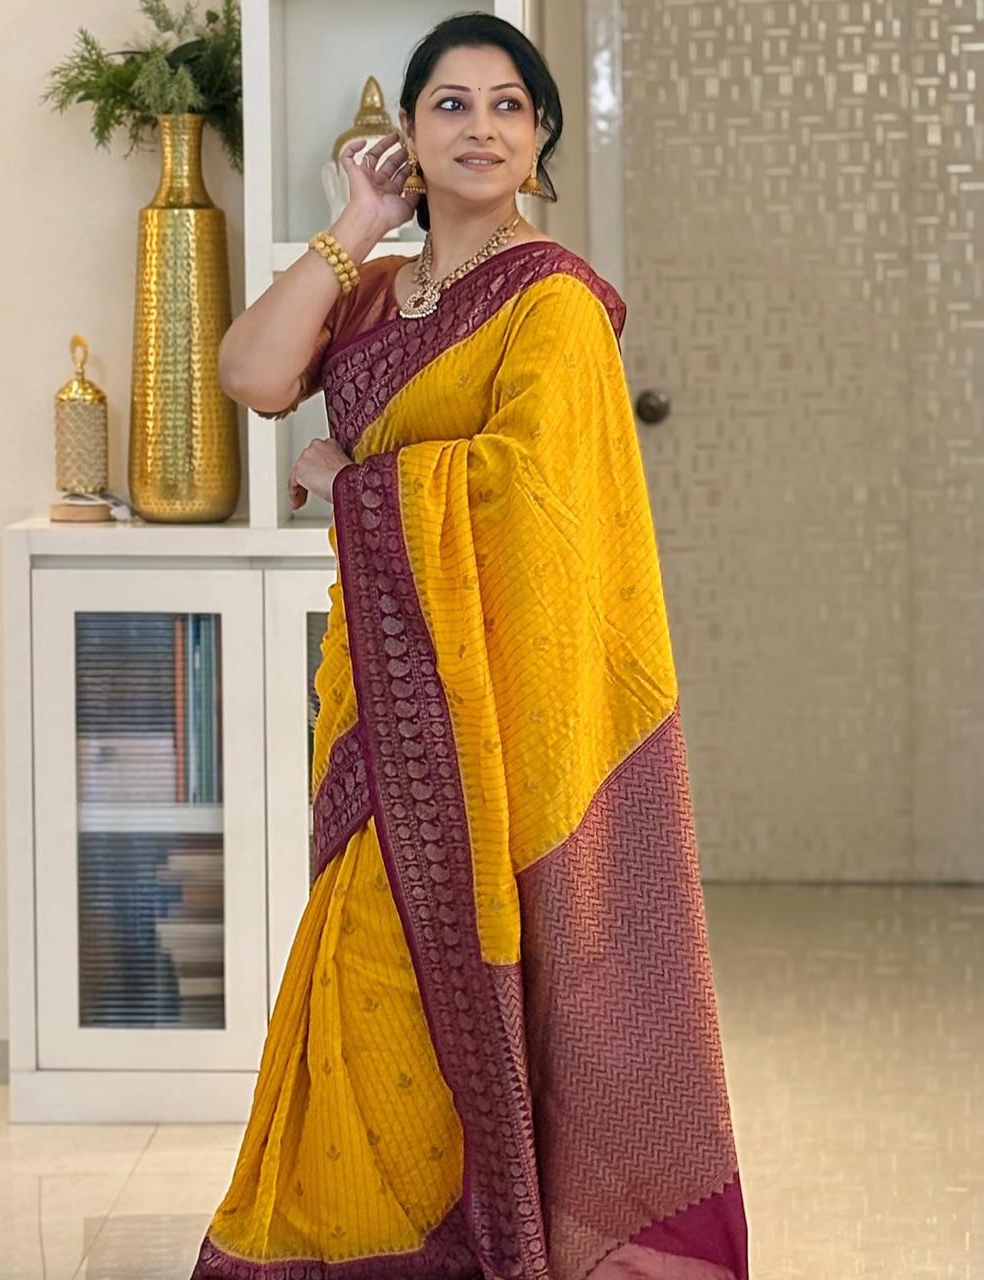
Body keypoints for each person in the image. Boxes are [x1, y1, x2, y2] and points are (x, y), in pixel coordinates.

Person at [193, 13, 750, 1280]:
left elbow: (523, 500)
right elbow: (251, 372)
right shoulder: (383, 291)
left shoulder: (551, 305)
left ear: (541, 135)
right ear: (411, 134)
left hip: (494, 718)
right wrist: (351, 224)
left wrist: (353, 475)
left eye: (510, 105)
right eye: (451, 105)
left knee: (415, 979)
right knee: (361, 976)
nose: (482, 128)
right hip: (383, 700)